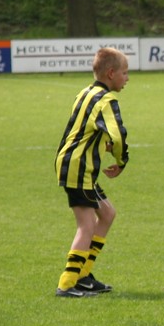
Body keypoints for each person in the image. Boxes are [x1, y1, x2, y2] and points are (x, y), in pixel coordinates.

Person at [53, 47, 130, 297]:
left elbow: (83, 129)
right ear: (111, 73)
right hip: (78, 167)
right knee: (86, 225)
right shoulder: (107, 101)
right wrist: (121, 160)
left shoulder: (85, 93)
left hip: (75, 164)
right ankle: (67, 283)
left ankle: (83, 275)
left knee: (107, 213)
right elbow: (118, 135)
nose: (127, 78)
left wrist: (100, 143)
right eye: (125, 73)